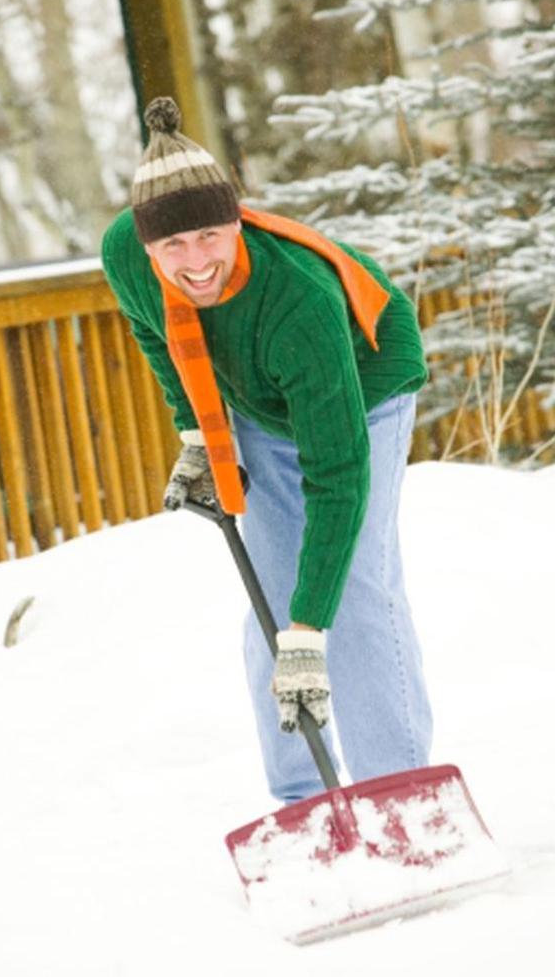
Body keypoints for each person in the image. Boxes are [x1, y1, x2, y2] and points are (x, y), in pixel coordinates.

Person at [102, 96, 433, 805]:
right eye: (175, 247)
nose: (197, 263)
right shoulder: (125, 253)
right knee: (272, 605)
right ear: (148, 245)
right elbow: (158, 338)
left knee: (354, 595)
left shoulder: (298, 301)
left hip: (363, 382)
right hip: (259, 397)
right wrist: (197, 433)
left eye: (212, 237)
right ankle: (304, 801)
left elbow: (338, 479)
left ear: (238, 221)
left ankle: (399, 797)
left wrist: (312, 630)